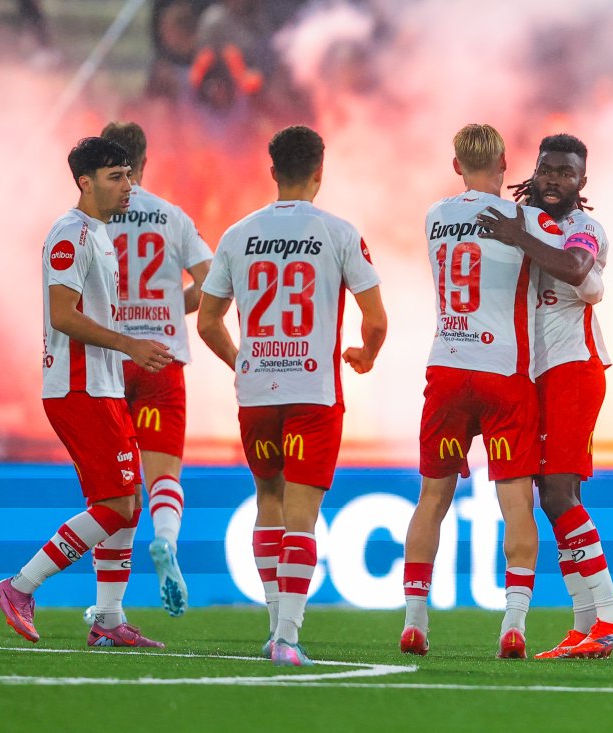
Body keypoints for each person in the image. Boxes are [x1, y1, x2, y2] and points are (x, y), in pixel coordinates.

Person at [198, 125, 387, 667]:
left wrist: (244, 361)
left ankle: (274, 624)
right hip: (313, 390)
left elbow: (209, 321)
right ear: (319, 173)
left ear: (273, 171)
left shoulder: (237, 234)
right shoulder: (339, 233)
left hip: (257, 391)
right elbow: (375, 319)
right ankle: (287, 636)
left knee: (269, 501)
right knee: (302, 513)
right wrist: (366, 355)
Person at [0, 137, 172, 648]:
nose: (128, 186)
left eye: (129, 175)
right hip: (77, 386)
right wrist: (129, 345)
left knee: (126, 502)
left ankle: (108, 623)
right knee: (116, 504)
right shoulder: (69, 233)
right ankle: (19, 587)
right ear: (84, 183)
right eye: (115, 177)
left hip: (102, 385)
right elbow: (63, 315)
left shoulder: (99, 234)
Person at [400, 123, 560, 660]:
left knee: (432, 498)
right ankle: (513, 624)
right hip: (504, 373)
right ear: (504, 165)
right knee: (516, 502)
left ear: (456, 166)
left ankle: (415, 622)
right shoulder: (528, 220)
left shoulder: (433, 216)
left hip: (446, 367)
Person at [476, 133, 613, 660]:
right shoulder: (522, 220)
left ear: (581, 183)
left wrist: (517, 237)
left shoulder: (584, 228)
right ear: (534, 170)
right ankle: (584, 625)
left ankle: (611, 618)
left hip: (573, 368)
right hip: (533, 373)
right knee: (558, 495)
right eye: (547, 169)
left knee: (559, 494)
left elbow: (575, 269)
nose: (554, 180)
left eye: (566, 173)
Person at [100, 121, 213, 618]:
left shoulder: (93, 219)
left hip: (106, 361)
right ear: (145, 163)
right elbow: (213, 285)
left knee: (116, 489)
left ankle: (110, 610)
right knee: (162, 474)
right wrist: (173, 306)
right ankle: (165, 540)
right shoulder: (171, 217)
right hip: (161, 359)